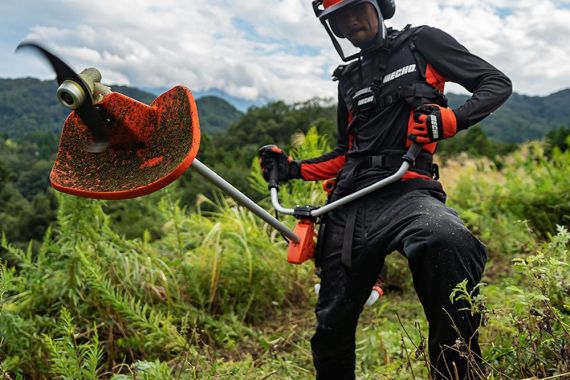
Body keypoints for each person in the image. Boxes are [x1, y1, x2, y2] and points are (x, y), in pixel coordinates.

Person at [259, 0, 512, 378]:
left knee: (448, 239)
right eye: (339, 17)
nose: (351, 19)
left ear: (380, 6)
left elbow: (496, 83)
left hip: (407, 190)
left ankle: (457, 372)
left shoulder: (421, 42)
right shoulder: (347, 78)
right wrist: (292, 169)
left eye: (357, 7)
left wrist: (452, 119)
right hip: (350, 200)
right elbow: (347, 152)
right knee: (331, 323)